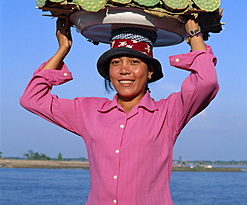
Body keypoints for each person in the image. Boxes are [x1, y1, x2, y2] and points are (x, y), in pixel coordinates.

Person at [20, 16, 219, 205]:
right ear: (109, 73)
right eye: (116, 62)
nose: (124, 70)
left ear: (150, 72)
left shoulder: (169, 113)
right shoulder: (88, 111)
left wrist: (194, 36)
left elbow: (206, 81)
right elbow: (32, 98)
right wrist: (63, 49)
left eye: (134, 62)